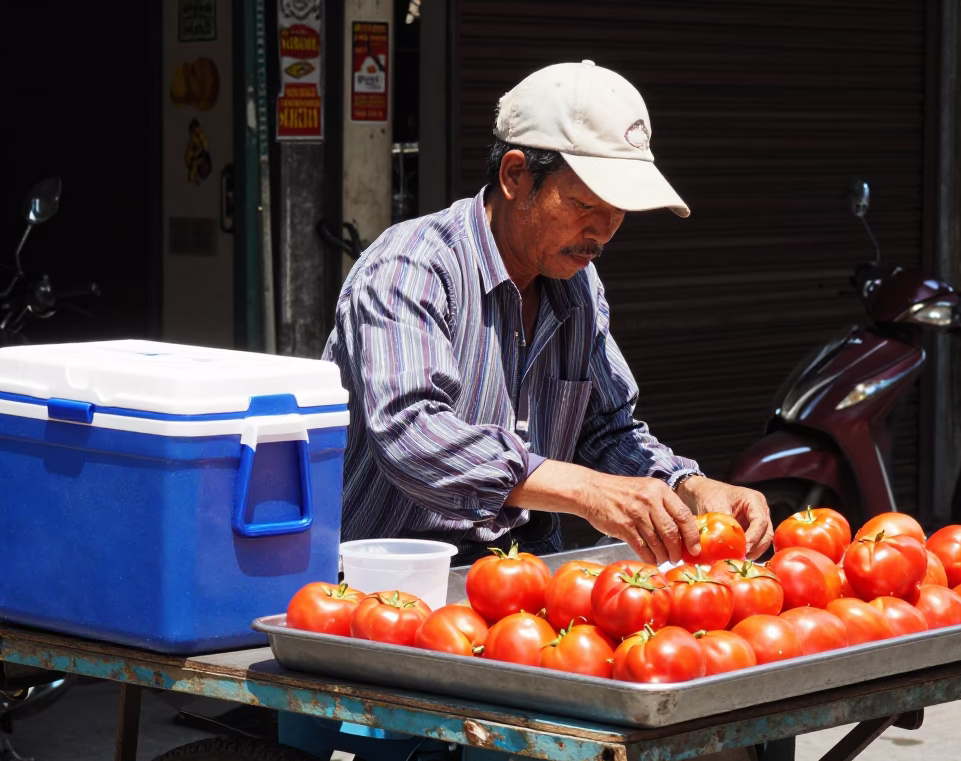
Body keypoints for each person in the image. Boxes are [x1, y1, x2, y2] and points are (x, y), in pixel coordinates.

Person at [323, 60, 772, 566]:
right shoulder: (410, 267)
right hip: (384, 582)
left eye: (619, 211)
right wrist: (586, 490)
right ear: (515, 175)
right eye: (585, 205)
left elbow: (606, 430)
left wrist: (690, 486)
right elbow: (414, 435)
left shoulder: (577, 286)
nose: (603, 231)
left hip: (523, 577)